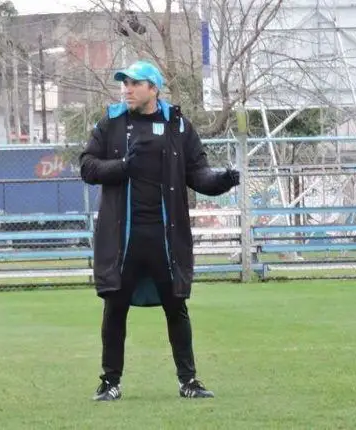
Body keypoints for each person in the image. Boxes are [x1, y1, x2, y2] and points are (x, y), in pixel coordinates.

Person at [79, 60, 241, 401]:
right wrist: (123, 167)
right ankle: (110, 383)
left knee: (176, 308)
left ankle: (189, 382)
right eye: (124, 83)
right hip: (122, 239)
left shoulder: (178, 125)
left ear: (154, 88)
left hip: (166, 240)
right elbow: (88, 167)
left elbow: (199, 174)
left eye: (134, 83)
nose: (126, 89)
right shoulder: (111, 122)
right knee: (115, 309)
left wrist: (223, 181)